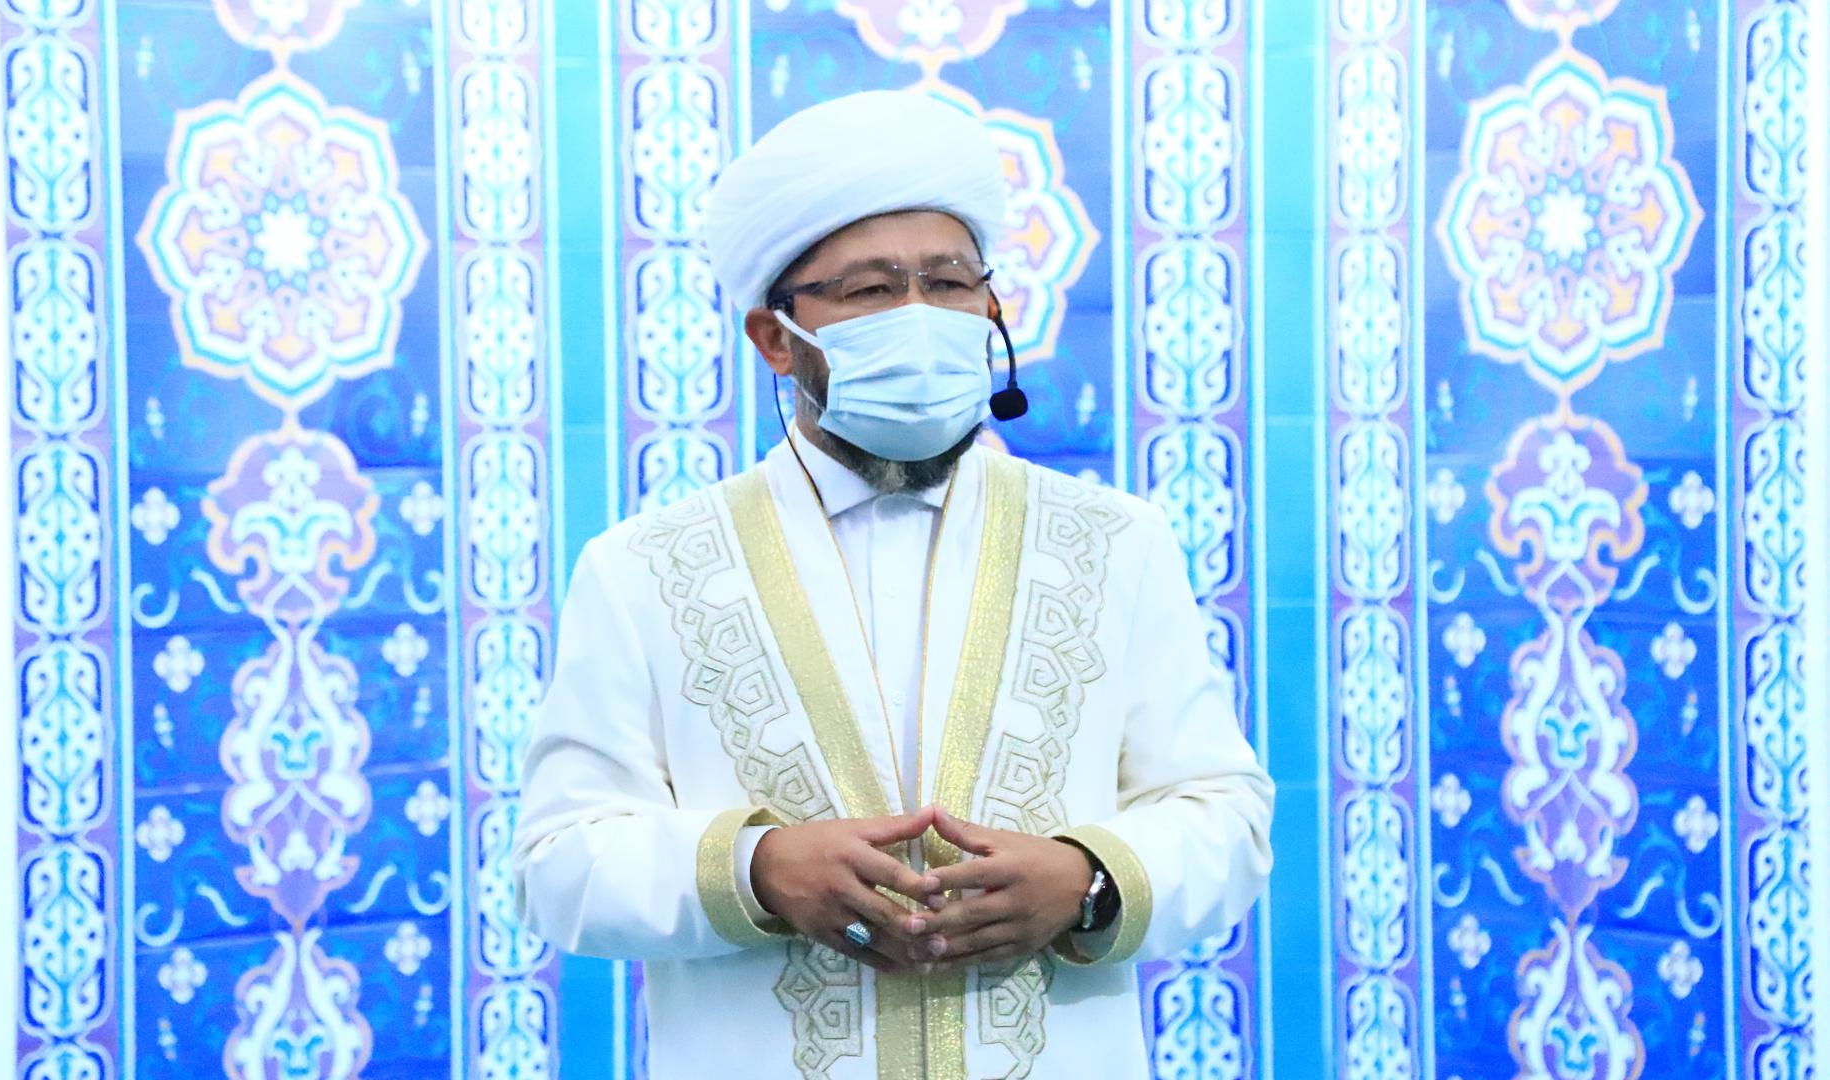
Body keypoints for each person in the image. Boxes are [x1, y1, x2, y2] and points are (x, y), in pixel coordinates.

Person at [513, 89, 1273, 1079]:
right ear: (776, 338)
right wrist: (757, 870)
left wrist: (1088, 881)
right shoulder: (646, 568)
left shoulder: (1114, 542)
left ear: (990, 308)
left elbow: (1223, 815)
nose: (920, 317)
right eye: (871, 290)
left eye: (949, 282)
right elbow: (560, 863)